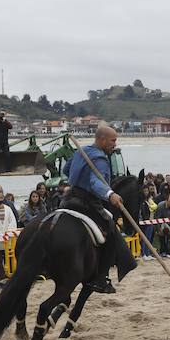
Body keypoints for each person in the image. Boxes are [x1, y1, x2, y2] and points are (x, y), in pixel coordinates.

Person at [63, 122, 128, 292]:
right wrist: (110, 194)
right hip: (87, 202)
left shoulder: (81, 152)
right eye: (113, 140)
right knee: (111, 229)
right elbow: (96, 182)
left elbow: (65, 169)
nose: (115, 144)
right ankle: (101, 278)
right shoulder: (99, 158)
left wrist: (78, 176)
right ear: (102, 139)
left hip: (68, 199)